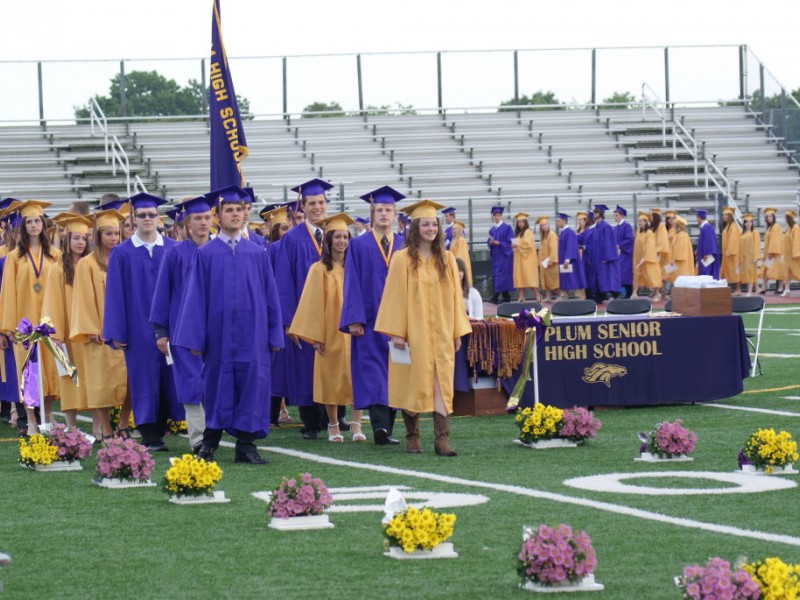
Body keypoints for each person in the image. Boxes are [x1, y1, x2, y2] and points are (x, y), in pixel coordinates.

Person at [175, 185, 284, 465]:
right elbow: (195, 298)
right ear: (218, 215)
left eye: (239, 210)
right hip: (218, 335)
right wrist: (194, 340)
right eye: (229, 210)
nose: (235, 214)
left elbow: (271, 296)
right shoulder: (207, 254)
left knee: (252, 385)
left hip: (253, 335)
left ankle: (246, 445)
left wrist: (274, 333)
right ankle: (209, 442)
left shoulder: (257, 252)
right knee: (215, 385)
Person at [375, 199, 472, 456]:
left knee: (442, 383)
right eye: (426, 224)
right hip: (413, 332)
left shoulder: (448, 259)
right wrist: (396, 331)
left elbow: (455, 297)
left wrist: (456, 331)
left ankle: (442, 440)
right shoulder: (402, 258)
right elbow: (394, 296)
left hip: (441, 331)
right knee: (413, 383)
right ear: (416, 227)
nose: (431, 228)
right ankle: (412, 436)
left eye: (434, 224)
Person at [103, 192, 182, 453]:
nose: (147, 219)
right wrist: (116, 331)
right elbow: (114, 294)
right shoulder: (122, 253)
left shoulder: (172, 248)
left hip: (171, 326)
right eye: (142, 215)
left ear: (159, 218)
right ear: (133, 218)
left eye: (151, 214)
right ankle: (149, 434)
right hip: (137, 327)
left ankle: (165, 426)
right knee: (143, 379)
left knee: (170, 375)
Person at [340, 185, 406, 446]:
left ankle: (386, 428)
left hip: (399, 322)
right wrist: (354, 318)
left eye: (388, 210)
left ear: (395, 214)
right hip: (369, 320)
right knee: (373, 372)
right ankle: (380, 426)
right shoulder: (358, 245)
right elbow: (351, 282)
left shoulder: (404, 244)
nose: (383, 214)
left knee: (397, 371)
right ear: (372, 214)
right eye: (379, 210)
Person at [290, 213, 364, 443]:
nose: (342, 241)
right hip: (329, 331)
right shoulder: (319, 269)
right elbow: (311, 304)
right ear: (329, 241)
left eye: (345, 237)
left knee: (357, 376)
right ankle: (333, 425)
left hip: (354, 331)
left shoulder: (356, 267)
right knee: (331, 377)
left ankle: (356, 424)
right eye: (337, 237)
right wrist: (315, 336)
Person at [149, 195, 214, 453]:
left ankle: (213, 434)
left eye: (207, 217)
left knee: (213, 383)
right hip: (182, 331)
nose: (203, 223)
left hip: (215, 331)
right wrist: (161, 332)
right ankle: (198, 438)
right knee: (191, 382)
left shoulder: (220, 251)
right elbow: (162, 293)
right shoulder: (175, 254)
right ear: (187, 223)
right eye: (197, 218)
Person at [276, 178, 334, 440]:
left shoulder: (337, 233)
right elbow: (284, 281)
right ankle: (311, 421)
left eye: (321, 202)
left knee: (335, 362)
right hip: (305, 313)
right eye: (312, 203)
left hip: (334, 314)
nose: (317, 207)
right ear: (303, 206)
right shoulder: (292, 239)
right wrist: (289, 321)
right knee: (306, 365)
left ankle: (336, 416)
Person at [0, 200, 61, 434]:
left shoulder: (55, 255)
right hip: (24, 324)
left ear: (43, 224)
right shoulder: (14, 257)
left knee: (51, 372)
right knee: (29, 373)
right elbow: (8, 293)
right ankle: (32, 420)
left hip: (49, 323)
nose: (34, 225)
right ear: (23, 226)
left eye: (37, 221)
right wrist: (9, 328)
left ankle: (49, 414)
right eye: (29, 222)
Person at [71, 209, 129, 440]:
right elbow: (83, 298)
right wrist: (93, 328)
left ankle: (124, 424)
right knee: (99, 383)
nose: (114, 238)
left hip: (124, 332)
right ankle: (105, 428)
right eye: (109, 234)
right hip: (99, 333)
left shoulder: (125, 259)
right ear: (99, 237)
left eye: (117, 233)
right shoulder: (87, 264)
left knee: (129, 382)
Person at [42, 214, 91, 430]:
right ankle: (71, 426)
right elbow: (52, 303)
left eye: (84, 238)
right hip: (67, 335)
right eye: (76, 238)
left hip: (90, 334)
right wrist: (56, 337)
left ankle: (99, 425)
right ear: (67, 241)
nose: (80, 242)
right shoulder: (57, 269)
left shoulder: (92, 265)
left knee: (94, 379)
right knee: (70, 380)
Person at [585, 204, 620, 303]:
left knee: (603, 277)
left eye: (596, 212)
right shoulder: (595, 227)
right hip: (596, 257)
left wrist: (607, 257)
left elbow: (609, 243)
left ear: (601, 214)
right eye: (594, 212)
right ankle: (599, 296)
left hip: (602, 258)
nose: (594, 214)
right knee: (597, 277)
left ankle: (610, 295)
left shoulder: (605, 226)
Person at [487, 206, 513, 304]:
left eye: (498, 215)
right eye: (495, 216)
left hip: (504, 256)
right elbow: (488, 240)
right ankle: (506, 296)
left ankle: (496, 296)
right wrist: (490, 242)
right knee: (497, 276)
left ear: (501, 216)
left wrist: (500, 243)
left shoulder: (507, 228)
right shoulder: (492, 230)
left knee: (503, 276)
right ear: (493, 217)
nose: (496, 217)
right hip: (496, 257)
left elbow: (510, 242)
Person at [555, 213, 586, 299]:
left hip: (571, 261)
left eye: (558, 221)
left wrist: (567, 259)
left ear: (564, 221)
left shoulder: (569, 232)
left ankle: (578, 296)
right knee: (566, 278)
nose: (556, 223)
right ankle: (564, 295)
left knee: (575, 277)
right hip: (564, 259)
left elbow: (570, 246)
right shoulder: (563, 232)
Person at [632, 212, 662, 299]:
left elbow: (650, 247)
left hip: (648, 258)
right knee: (637, 274)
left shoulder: (649, 233)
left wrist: (644, 258)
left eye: (641, 221)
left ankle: (657, 293)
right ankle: (634, 293)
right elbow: (636, 246)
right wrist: (638, 259)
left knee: (651, 275)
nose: (639, 223)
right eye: (638, 221)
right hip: (638, 257)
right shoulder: (638, 232)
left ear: (646, 222)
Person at [512, 212, 539, 302]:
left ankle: (537, 296)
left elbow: (527, 244)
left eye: (522, 222)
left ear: (525, 222)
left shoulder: (528, 232)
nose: (520, 224)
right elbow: (515, 245)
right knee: (520, 278)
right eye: (519, 222)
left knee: (529, 278)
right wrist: (513, 246)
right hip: (519, 259)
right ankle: (521, 297)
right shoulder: (518, 233)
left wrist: (517, 244)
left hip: (527, 260)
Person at [760, 207, 785, 294]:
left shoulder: (776, 227)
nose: (769, 218)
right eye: (768, 217)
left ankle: (781, 288)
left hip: (775, 253)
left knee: (778, 270)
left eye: (771, 216)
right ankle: (764, 287)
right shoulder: (769, 227)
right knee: (766, 269)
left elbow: (775, 240)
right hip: (770, 253)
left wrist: (771, 252)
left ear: (774, 217)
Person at [613, 205, 634, 298]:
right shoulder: (615, 228)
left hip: (625, 254)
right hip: (617, 254)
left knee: (624, 273)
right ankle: (620, 292)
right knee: (618, 273)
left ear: (621, 216)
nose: (615, 217)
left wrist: (620, 245)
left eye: (616, 215)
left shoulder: (627, 226)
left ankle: (628, 292)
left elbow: (629, 239)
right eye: (614, 215)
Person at [537, 216, 559, 301]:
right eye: (542, 225)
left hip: (550, 261)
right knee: (546, 280)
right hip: (544, 262)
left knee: (553, 281)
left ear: (548, 224)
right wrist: (540, 262)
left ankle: (561, 295)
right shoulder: (543, 236)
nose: (544, 226)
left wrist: (552, 260)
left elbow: (554, 248)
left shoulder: (552, 235)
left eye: (545, 224)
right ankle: (548, 297)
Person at [720, 206, 742, 294]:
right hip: (727, 254)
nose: (723, 216)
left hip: (733, 254)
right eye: (723, 215)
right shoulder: (727, 227)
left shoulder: (734, 227)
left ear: (730, 216)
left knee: (735, 272)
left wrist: (730, 251)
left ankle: (738, 289)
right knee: (726, 272)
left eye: (725, 215)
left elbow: (733, 240)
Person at [668, 217, 696, 281]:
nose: (673, 226)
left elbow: (680, 249)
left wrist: (674, 259)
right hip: (677, 261)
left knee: (681, 278)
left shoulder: (682, 235)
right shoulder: (679, 235)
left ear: (677, 226)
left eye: (674, 225)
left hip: (680, 262)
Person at [651, 210, 671, 298]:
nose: (650, 217)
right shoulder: (653, 227)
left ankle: (660, 292)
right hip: (653, 253)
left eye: (651, 216)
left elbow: (662, 241)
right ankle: (658, 291)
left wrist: (657, 252)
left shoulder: (661, 226)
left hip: (660, 254)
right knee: (656, 273)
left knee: (661, 273)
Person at [739, 213, 761, 295]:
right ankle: (757, 288)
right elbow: (740, 247)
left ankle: (749, 291)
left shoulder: (755, 233)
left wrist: (756, 256)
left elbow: (756, 245)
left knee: (750, 273)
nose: (748, 224)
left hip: (751, 257)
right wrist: (740, 259)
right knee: (750, 273)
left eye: (750, 222)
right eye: (746, 222)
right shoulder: (742, 234)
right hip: (744, 257)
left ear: (752, 223)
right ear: (744, 223)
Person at [695, 209, 720, 278]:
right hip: (703, 255)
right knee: (704, 273)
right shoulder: (704, 227)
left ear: (699, 217)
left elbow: (709, 241)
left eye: (697, 217)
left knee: (707, 273)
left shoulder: (707, 227)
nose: (696, 219)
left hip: (706, 256)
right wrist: (698, 251)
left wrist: (707, 254)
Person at [782, 209, 800, 298]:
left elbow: (797, 241)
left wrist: (795, 253)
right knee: (787, 272)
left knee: (797, 272)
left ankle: (787, 289)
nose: (784, 219)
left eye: (785, 217)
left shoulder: (796, 228)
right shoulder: (788, 228)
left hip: (794, 255)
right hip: (788, 255)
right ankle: (787, 289)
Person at [448, 220, 472, 287]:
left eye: (454, 229)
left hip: (459, 265)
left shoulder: (461, 241)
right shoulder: (453, 240)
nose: (452, 231)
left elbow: (460, 255)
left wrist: (453, 262)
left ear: (458, 230)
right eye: (452, 229)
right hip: (453, 263)